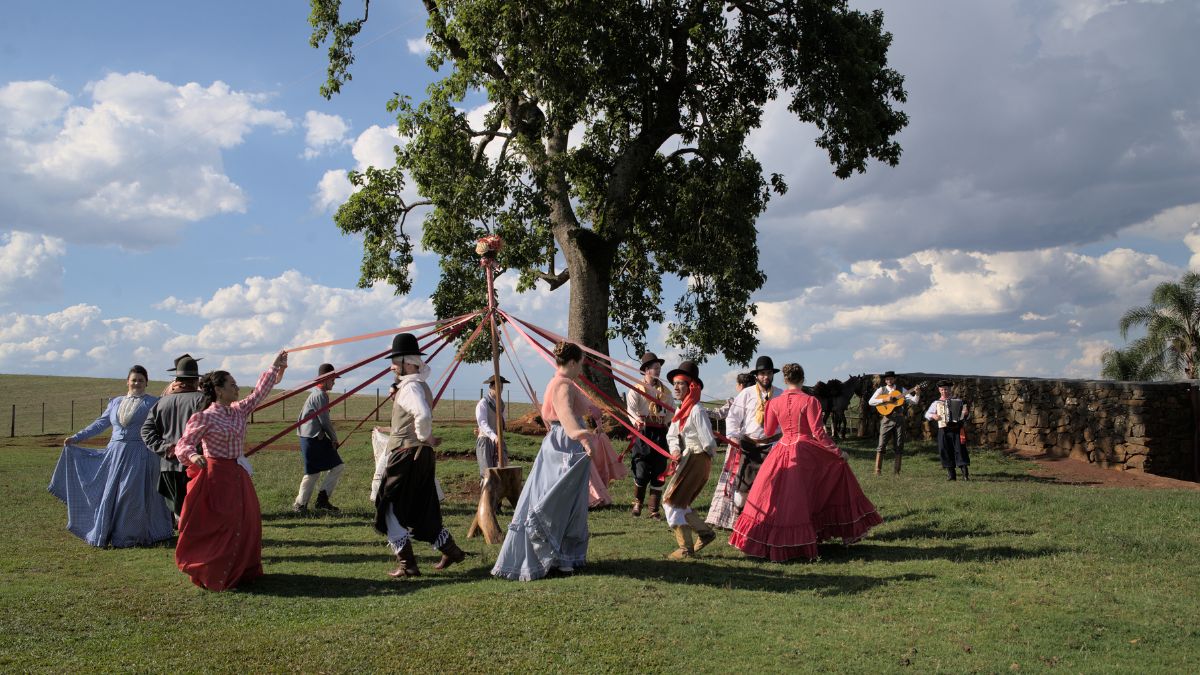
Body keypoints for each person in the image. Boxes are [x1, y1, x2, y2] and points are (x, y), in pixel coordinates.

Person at [730, 364, 882, 561]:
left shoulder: (774, 402)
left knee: (776, 497)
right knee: (807, 494)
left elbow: (768, 431)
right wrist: (838, 452)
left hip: (782, 449)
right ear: (802, 379)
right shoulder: (810, 401)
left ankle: (770, 539)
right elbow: (819, 433)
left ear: (785, 380)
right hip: (805, 451)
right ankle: (811, 535)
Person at [173, 351, 287, 591]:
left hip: (238, 474)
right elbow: (183, 444)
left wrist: (274, 367)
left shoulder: (238, 411)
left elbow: (259, 394)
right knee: (221, 524)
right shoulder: (203, 417)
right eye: (232, 385)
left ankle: (241, 570)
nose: (237, 389)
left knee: (246, 521)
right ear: (219, 390)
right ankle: (215, 571)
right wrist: (193, 455)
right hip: (215, 477)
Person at [492, 341, 594, 581]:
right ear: (571, 362)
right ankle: (556, 557)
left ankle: (561, 556)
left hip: (557, 442)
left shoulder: (556, 382)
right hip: (565, 446)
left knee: (559, 498)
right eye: (580, 363)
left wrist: (593, 413)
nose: (581, 367)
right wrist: (583, 438)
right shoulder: (563, 385)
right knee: (559, 499)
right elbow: (566, 416)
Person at [49, 365, 174, 547]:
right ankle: (110, 532)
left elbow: (163, 427)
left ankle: (130, 536)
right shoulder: (115, 402)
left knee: (131, 495)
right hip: (115, 454)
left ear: (146, 382)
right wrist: (76, 438)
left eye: (141, 380)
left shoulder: (154, 403)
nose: (137, 383)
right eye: (134, 380)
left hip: (140, 454)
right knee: (111, 494)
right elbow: (100, 424)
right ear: (127, 382)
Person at [374, 333, 466, 578]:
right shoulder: (418, 385)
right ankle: (451, 550)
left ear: (407, 361)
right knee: (420, 507)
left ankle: (408, 564)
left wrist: (424, 436)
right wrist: (424, 439)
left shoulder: (410, 387)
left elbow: (422, 415)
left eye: (395, 360)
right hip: (420, 455)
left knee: (389, 506)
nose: (392, 366)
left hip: (406, 456)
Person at [660, 361, 718, 559]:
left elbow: (709, 441)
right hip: (688, 458)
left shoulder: (696, 410)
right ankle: (705, 533)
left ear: (691, 386)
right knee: (678, 503)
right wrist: (676, 451)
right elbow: (671, 435)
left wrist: (703, 459)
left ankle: (685, 549)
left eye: (681, 383)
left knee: (671, 502)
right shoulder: (681, 410)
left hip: (697, 458)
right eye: (674, 383)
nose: (676, 387)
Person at [141, 354, 207, 523]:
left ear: (177, 379)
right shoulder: (203, 400)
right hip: (197, 464)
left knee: (179, 512)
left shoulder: (161, 402)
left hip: (168, 466)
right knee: (198, 511)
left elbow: (146, 432)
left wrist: (167, 449)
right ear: (195, 380)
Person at [725, 356, 783, 517]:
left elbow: (785, 420)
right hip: (749, 445)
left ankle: (768, 519)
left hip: (773, 446)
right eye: (762, 373)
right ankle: (740, 517)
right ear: (756, 376)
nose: (766, 377)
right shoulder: (746, 393)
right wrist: (733, 436)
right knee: (743, 485)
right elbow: (733, 417)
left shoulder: (780, 394)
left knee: (772, 485)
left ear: (773, 374)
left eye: (769, 373)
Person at [624, 351, 674, 519]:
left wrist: (666, 422)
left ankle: (653, 509)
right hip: (643, 432)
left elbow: (669, 411)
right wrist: (636, 420)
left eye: (659, 367)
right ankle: (638, 502)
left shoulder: (666, 391)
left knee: (659, 469)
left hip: (660, 432)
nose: (658, 370)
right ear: (646, 370)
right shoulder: (636, 389)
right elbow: (630, 409)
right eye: (655, 367)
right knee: (641, 468)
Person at [292, 363, 346, 513]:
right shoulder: (320, 395)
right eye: (333, 378)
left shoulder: (317, 393)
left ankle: (304, 504)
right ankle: (314, 502)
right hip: (313, 438)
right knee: (329, 468)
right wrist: (334, 438)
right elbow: (325, 421)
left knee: (318, 471)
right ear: (326, 378)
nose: (334, 381)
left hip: (312, 437)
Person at [705, 372, 755, 530]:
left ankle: (726, 518)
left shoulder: (737, 401)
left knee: (731, 479)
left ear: (739, 386)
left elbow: (718, 414)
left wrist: (699, 410)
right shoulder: (753, 401)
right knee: (741, 480)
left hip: (739, 445)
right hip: (747, 445)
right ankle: (732, 518)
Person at [867, 370, 921, 475]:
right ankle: (877, 470)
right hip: (887, 418)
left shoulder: (901, 390)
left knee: (899, 444)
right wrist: (884, 400)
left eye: (891, 378)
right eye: (887, 379)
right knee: (881, 444)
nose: (889, 380)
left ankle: (897, 471)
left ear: (894, 379)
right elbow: (871, 402)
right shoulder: (881, 390)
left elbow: (914, 401)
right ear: (885, 380)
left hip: (900, 419)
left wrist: (917, 393)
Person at [925, 380, 970, 481]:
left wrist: (966, 413)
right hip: (943, 429)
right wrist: (933, 415)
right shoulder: (936, 403)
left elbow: (966, 416)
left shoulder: (958, 401)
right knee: (944, 450)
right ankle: (951, 475)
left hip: (957, 429)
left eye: (946, 389)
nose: (944, 391)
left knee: (960, 450)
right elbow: (927, 414)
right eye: (942, 390)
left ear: (950, 389)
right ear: (939, 390)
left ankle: (965, 474)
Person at [475, 374, 509, 481]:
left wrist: (499, 437)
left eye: (502, 387)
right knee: (487, 474)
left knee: (501, 472)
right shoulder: (483, 403)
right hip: (486, 441)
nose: (500, 390)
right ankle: (486, 497)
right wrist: (494, 437)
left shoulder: (502, 405)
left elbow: (502, 423)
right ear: (491, 387)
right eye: (498, 387)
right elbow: (483, 423)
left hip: (498, 441)